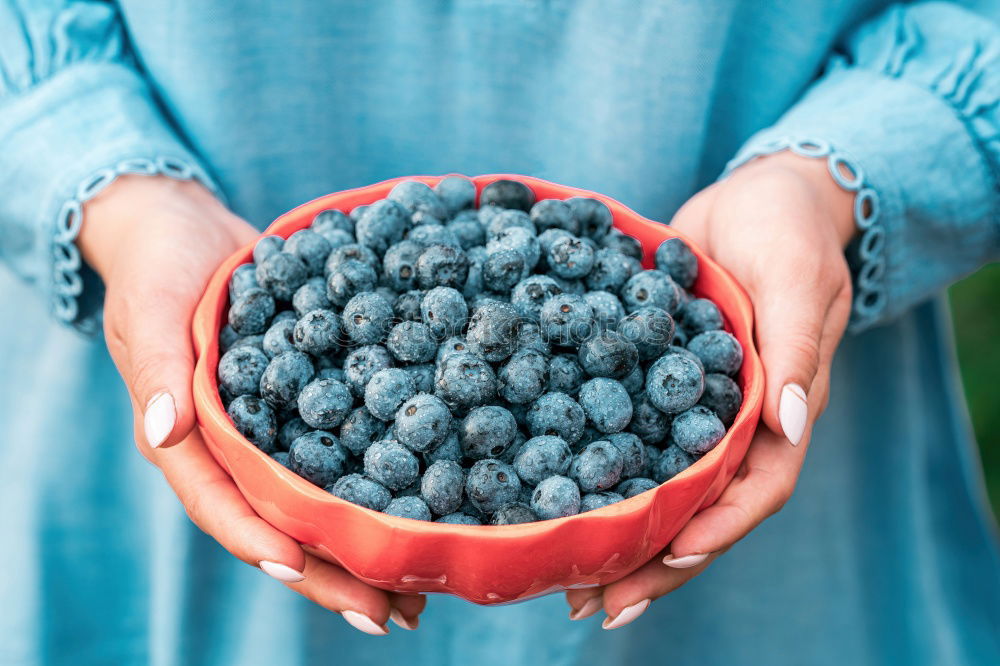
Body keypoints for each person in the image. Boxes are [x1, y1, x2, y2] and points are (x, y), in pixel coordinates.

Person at [1, 1, 998, 664]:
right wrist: (120, 198)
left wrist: (820, 185)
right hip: (151, 371)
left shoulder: (604, 354)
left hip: (789, 465)